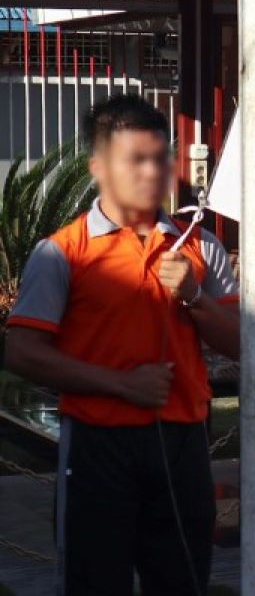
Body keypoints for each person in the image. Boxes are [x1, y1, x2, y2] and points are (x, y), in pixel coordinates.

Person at [5, 95, 240, 595]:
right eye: (136, 160)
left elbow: (246, 344)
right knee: (94, 584)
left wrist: (195, 298)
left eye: (160, 158)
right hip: (97, 445)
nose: (152, 172)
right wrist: (119, 385)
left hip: (184, 444)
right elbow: (21, 352)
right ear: (98, 167)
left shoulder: (200, 246)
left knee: (182, 582)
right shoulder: (62, 252)